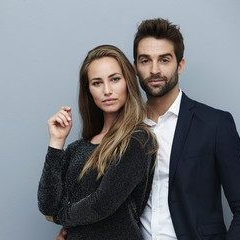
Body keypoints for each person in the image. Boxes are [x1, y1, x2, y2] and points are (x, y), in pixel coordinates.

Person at [57, 18, 240, 240]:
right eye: (145, 61)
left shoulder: (215, 124)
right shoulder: (121, 131)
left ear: (180, 65)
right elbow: (99, 202)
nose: (154, 70)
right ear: (135, 68)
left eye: (164, 60)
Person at [38, 45, 158, 239]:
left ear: (128, 82)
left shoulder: (138, 140)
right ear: (89, 91)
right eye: (97, 83)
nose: (107, 90)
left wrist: (60, 216)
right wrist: (56, 142)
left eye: (115, 79)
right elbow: (47, 206)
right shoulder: (78, 148)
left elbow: (102, 204)